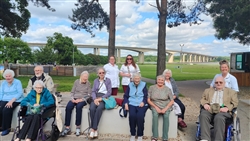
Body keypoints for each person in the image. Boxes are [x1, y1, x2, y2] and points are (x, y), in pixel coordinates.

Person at [200, 76, 238, 141]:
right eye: (216, 82)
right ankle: (205, 139)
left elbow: (235, 102)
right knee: (203, 115)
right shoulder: (207, 91)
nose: (218, 84)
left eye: (220, 82)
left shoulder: (231, 92)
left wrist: (227, 108)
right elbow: (202, 99)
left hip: (223, 110)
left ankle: (218, 139)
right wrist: (205, 104)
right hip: (210, 108)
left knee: (219, 117)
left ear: (224, 83)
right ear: (214, 83)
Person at [61, 71, 92, 136]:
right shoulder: (76, 82)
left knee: (79, 107)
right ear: (81, 76)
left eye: (86, 77)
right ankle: (67, 127)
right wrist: (72, 99)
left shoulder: (88, 83)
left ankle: (78, 127)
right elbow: (72, 92)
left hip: (83, 99)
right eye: (84, 77)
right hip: (75, 98)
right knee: (68, 107)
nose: (85, 79)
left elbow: (89, 95)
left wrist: (81, 99)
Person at [147, 75, 174, 141]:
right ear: (156, 80)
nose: (160, 81)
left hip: (165, 105)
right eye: (159, 80)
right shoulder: (151, 88)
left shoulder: (168, 89)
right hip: (155, 104)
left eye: (162, 80)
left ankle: (165, 137)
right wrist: (156, 107)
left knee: (166, 116)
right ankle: (155, 136)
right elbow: (148, 99)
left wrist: (166, 108)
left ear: (164, 81)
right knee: (155, 115)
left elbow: (172, 100)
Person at [123, 73, 148, 141]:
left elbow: (146, 96)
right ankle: (133, 134)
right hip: (132, 103)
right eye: (135, 78)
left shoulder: (143, 84)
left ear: (140, 79)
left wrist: (143, 102)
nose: (137, 80)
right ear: (133, 79)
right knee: (132, 116)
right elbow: (126, 96)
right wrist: (126, 103)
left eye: (138, 79)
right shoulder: (130, 85)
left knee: (140, 116)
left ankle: (140, 135)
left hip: (141, 103)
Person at [89, 67, 112, 139]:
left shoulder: (108, 80)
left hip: (104, 97)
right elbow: (93, 91)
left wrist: (101, 99)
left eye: (103, 73)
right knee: (92, 108)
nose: (102, 74)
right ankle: (95, 129)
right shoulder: (96, 81)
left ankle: (93, 129)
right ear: (97, 74)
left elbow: (109, 92)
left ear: (105, 73)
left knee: (99, 109)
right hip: (96, 96)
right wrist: (95, 99)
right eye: (100, 73)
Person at [0, 69, 24, 136]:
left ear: (12, 76)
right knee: (0, 108)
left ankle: (6, 128)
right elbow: (1, 93)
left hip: (16, 99)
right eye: (6, 76)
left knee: (6, 109)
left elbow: (20, 93)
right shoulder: (4, 83)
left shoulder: (17, 82)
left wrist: (11, 101)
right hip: (5, 99)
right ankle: (1, 126)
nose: (8, 78)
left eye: (9, 76)